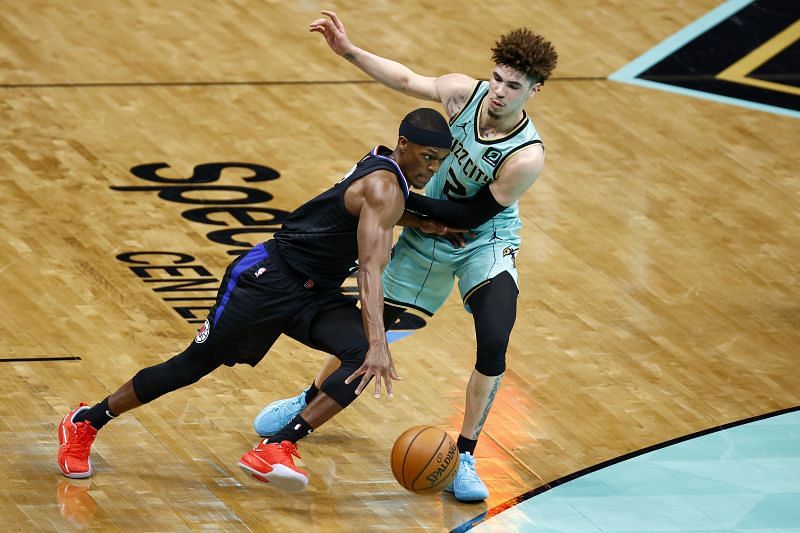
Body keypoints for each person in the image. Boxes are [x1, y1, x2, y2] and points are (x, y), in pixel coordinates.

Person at [57, 108, 460, 493]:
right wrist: (378, 343)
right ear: (403, 145)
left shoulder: (383, 168)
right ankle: (86, 422)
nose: (432, 169)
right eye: (428, 157)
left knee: (359, 359)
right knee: (191, 366)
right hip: (268, 280)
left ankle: (277, 447)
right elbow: (370, 271)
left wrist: (422, 222)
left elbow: (366, 210)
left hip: (313, 293)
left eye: (440, 161)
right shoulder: (386, 188)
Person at [254, 11, 558, 502]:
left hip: (483, 240)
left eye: (514, 86)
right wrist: (350, 51)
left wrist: (389, 195)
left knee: (495, 339)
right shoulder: (464, 92)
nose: (499, 91)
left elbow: (467, 216)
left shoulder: (526, 156)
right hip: (424, 239)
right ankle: (307, 402)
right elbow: (405, 78)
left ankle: (465, 454)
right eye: (497, 78)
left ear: (534, 90)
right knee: (370, 334)